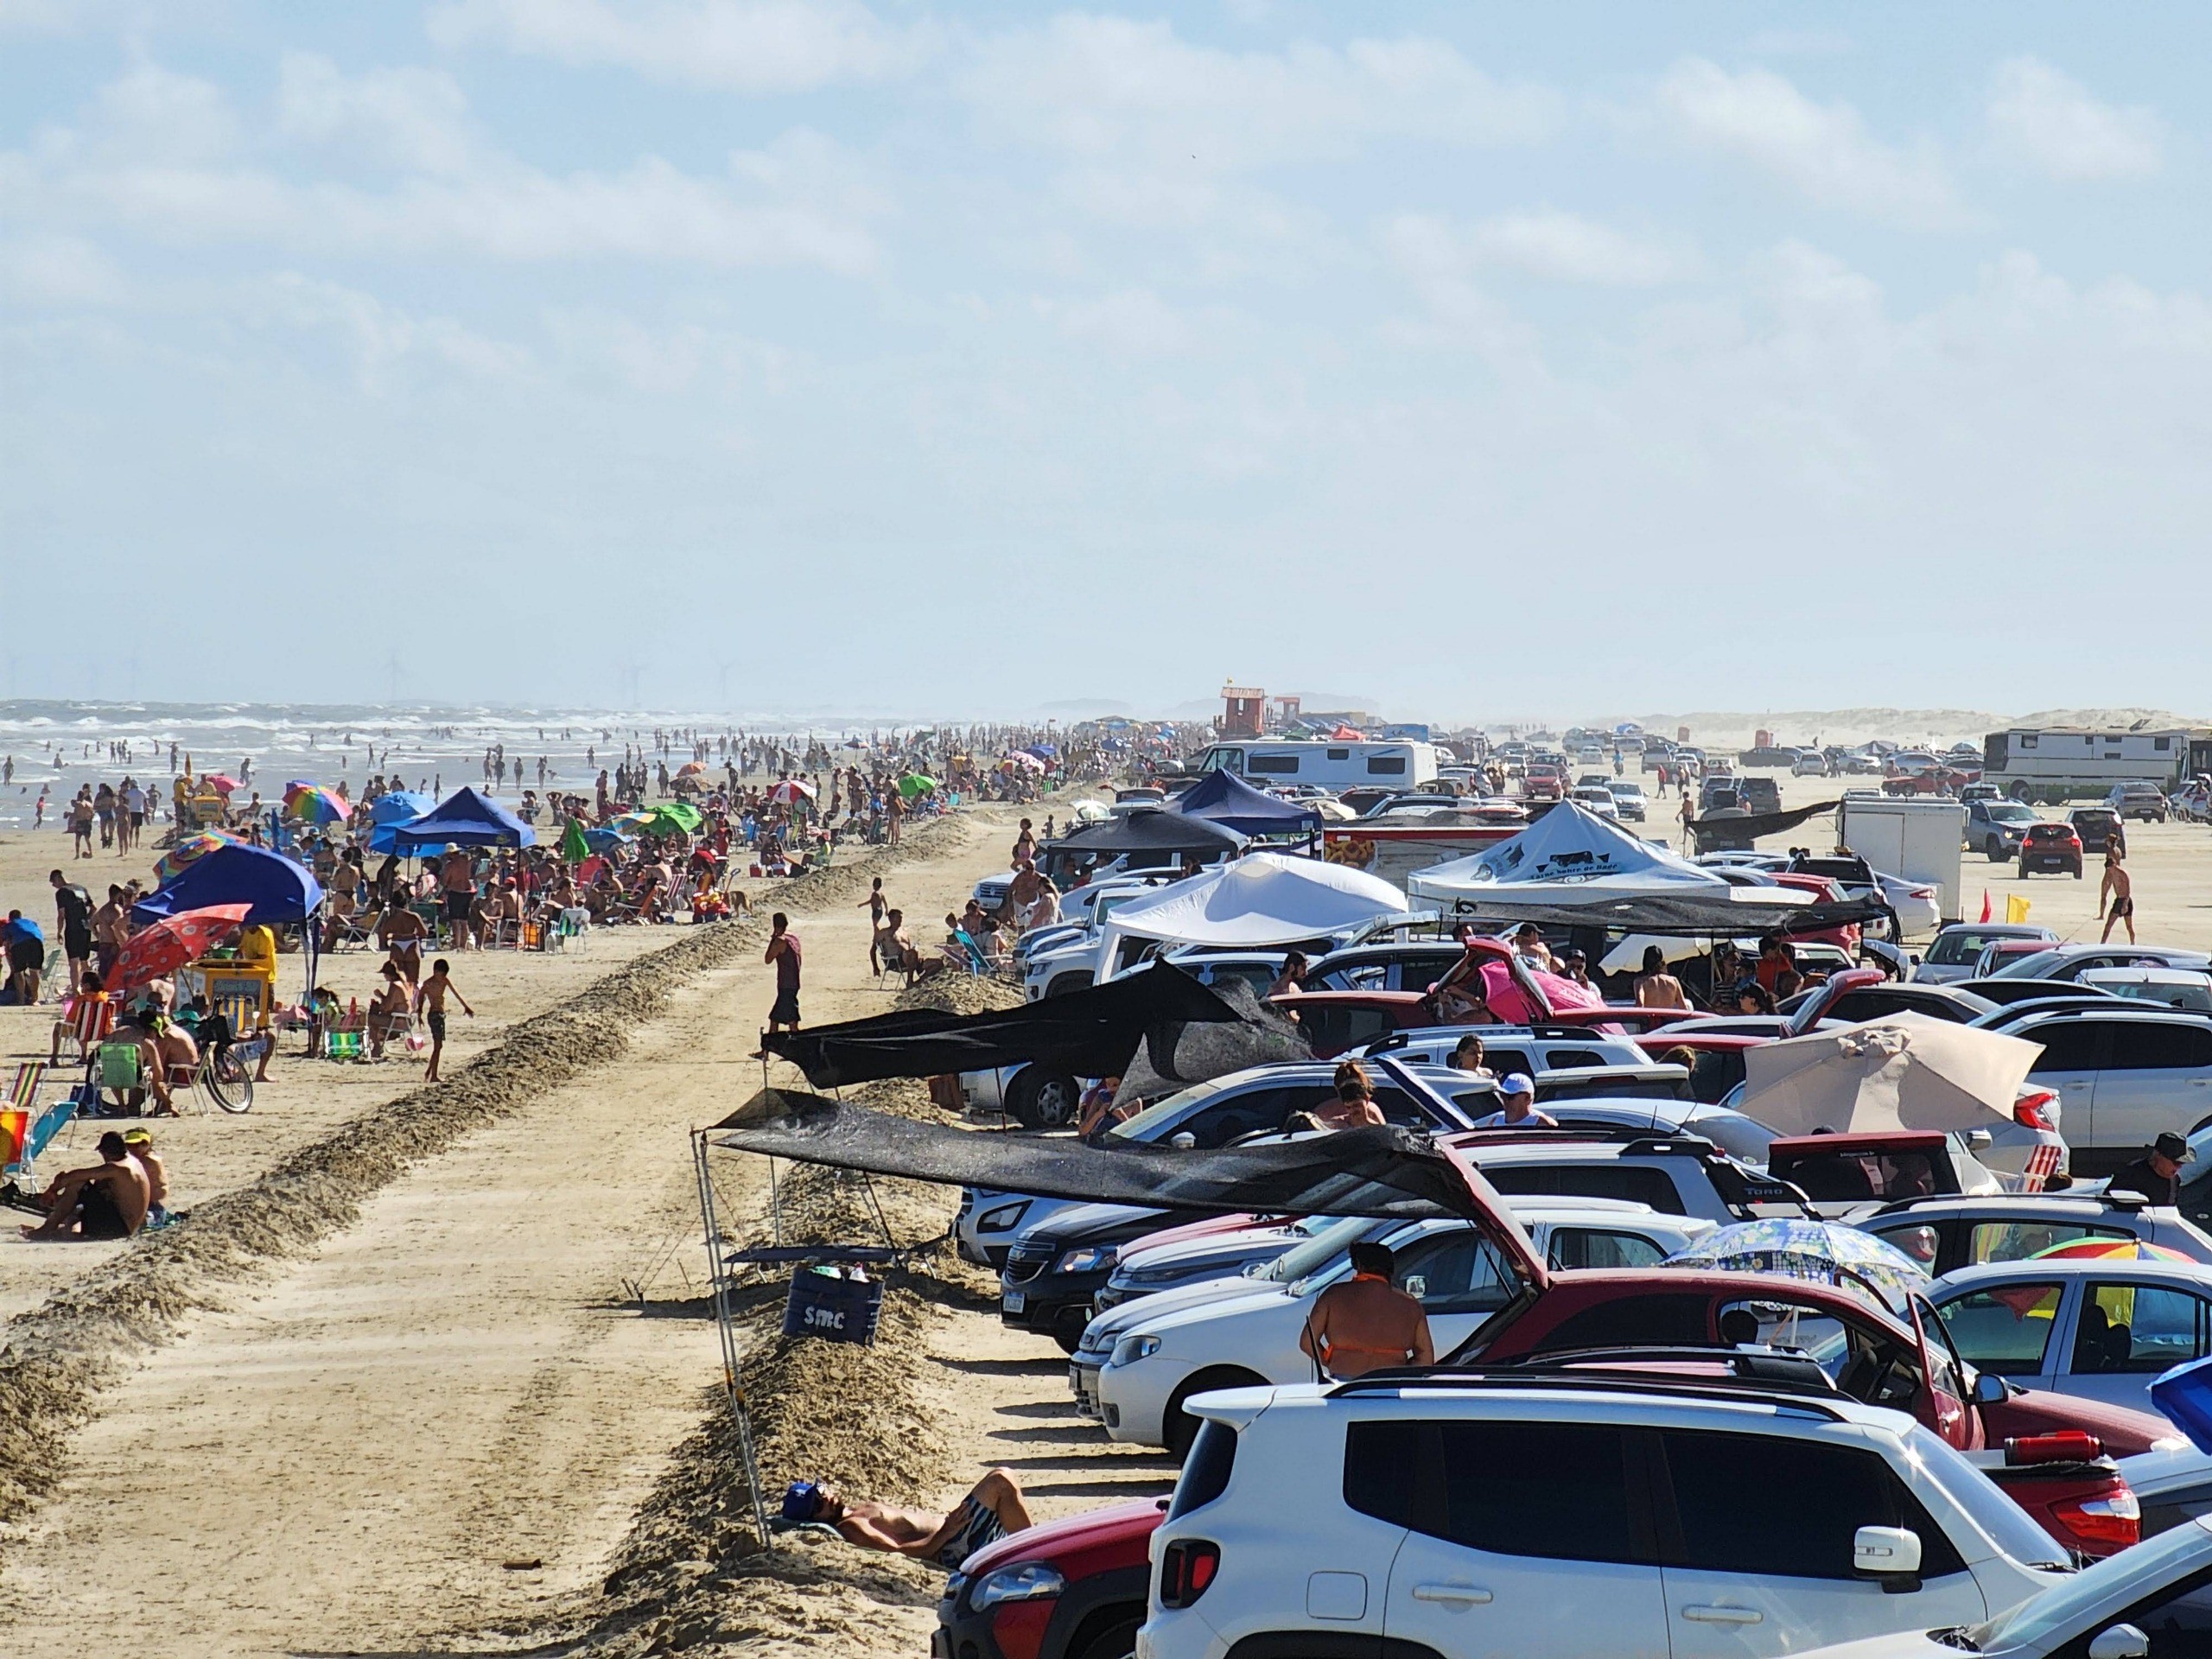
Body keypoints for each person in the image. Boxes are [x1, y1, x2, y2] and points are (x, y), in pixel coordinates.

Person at [780, 1470, 1033, 1569]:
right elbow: (899, 1552)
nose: (826, 1500)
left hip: (954, 1533)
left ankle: (1031, 1549)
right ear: (814, 1518)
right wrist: (945, 1532)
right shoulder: (852, 1527)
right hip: (951, 1547)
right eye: (817, 1505)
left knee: (1004, 1477)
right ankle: (1035, 1554)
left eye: (821, 1492)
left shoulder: (857, 1511)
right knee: (1000, 1482)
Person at [1299, 1241, 1433, 1379]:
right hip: (1390, 1384)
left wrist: (1330, 1361)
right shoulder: (1410, 1304)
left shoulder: (1334, 1295)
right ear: (1391, 1269)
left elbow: (1307, 1342)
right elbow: (1425, 1357)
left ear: (1358, 1266)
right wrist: (1402, 1371)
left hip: (1343, 1384)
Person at [22, 1131, 149, 1241]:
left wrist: (52, 1190)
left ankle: (47, 1229)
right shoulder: (132, 1162)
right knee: (85, 1189)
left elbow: (76, 1176)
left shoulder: (117, 1169)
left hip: (118, 1228)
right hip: (125, 1225)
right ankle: (57, 1227)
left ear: (105, 1153)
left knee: (78, 1184)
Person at [419, 957, 474, 1083]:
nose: (440, 976)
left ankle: (430, 1071)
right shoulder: (428, 983)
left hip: (440, 1015)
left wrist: (466, 1007)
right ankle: (433, 1075)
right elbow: (420, 998)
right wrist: (419, 1014)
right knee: (438, 1046)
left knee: (438, 1046)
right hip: (435, 1015)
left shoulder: (443, 981)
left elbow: (456, 993)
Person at [755, 912, 802, 1053]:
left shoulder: (779, 941)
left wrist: (773, 939)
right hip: (793, 982)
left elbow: (768, 959)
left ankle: (801, 1049)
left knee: (789, 1022)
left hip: (786, 985)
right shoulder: (792, 938)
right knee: (779, 1018)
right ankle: (766, 1050)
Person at [2111, 1131, 2193, 1206]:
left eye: (2182, 1163)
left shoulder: (2174, 1180)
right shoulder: (2130, 1175)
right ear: (2159, 1156)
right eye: (2175, 1162)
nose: (2179, 1167)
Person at [49, 870, 92, 995]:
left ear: (58, 878)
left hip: (73, 929)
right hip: (85, 928)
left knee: (74, 961)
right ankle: (91, 986)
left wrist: (59, 931)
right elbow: (93, 908)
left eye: (53, 882)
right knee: (85, 960)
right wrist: (86, 919)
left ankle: (75, 990)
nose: (53, 885)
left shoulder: (62, 892)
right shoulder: (81, 888)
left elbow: (61, 915)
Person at [1471, 1072, 1555, 1129]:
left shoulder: (1542, 1125)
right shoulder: (1495, 1122)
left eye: (1510, 1096)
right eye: (1502, 1095)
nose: (1505, 1100)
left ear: (1527, 1098)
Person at [122, 1128, 168, 1227]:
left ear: (147, 1144)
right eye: (129, 1145)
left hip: (151, 1207)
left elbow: (162, 1190)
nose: (132, 1148)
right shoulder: (131, 1161)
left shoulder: (151, 1161)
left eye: (137, 1145)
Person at [2101, 835, 2137, 944]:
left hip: (2125, 900)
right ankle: (2102, 944)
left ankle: (2133, 944)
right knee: (2108, 925)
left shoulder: (2122, 874)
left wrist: (2125, 904)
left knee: (2129, 926)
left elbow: (2127, 889)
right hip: (2118, 899)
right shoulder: (2113, 874)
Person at [1635, 944, 1688, 1010]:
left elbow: (1640, 1005)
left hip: (1650, 1019)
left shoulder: (1641, 982)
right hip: (1669, 1019)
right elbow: (1684, 1007)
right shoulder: (1674, 980)